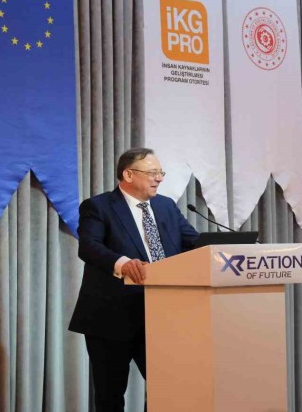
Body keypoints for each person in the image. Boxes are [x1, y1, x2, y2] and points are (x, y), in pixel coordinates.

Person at [69, 147, 199, 412]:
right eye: (152, 172)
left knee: (168, 388)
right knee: (110, 396)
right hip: (111, 317)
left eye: (160, 172)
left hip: (162, 315)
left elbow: (194, 243)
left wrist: (228, 250)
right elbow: (89, 247)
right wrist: (123, 263)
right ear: (128, 174)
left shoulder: (166, 206)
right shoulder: (99, 206)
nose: (159, 178)